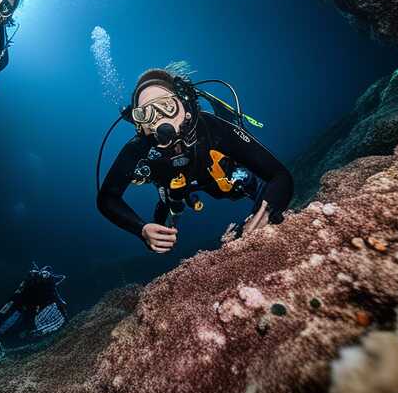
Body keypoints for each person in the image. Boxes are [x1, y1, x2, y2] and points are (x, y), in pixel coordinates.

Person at [97, 67, 294, 253]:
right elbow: (107, 198)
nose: (159, 120)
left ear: (184, 104)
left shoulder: (210, 127)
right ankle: (163, 228)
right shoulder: (139, 146)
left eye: (167, 106)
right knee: (170, 203)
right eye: (146, 114)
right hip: (173, 186)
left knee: (234, 187)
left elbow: (280, 175)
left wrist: (268, 210)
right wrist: (141, 229)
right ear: (141, 124)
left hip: (211, 172)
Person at [0, 263, 67, 362]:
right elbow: (25, 282)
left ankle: (19, 339)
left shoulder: (50, 284)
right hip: (21, 301)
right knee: (12, 318)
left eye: (47, 273)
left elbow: (56, 296)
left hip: (33, 306)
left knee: (27, 324)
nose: (44, 275)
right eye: (43, 272)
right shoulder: (34, 276)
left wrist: (61, 303)